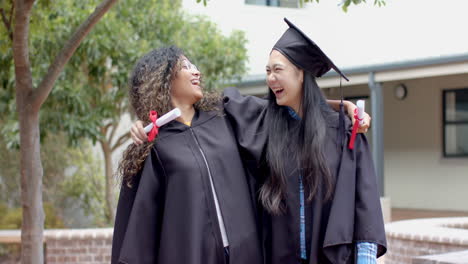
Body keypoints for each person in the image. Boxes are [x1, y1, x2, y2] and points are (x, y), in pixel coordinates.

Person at [221, 18, 387, 264]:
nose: (270, 78)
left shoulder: (344, 132)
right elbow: (209, 105)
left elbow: (366, 208)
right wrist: (143, 126)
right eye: (267, 71)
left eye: (278, 70)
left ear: (301, 74)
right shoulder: (265, 123)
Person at [111, 46, 263, 264]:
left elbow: (276, 116)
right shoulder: (154, 146)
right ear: (163, 79)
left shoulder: (224, 117)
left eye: (194, 65)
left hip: (246, 253)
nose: (196, 71)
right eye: (185, 66)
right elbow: (141, 224)